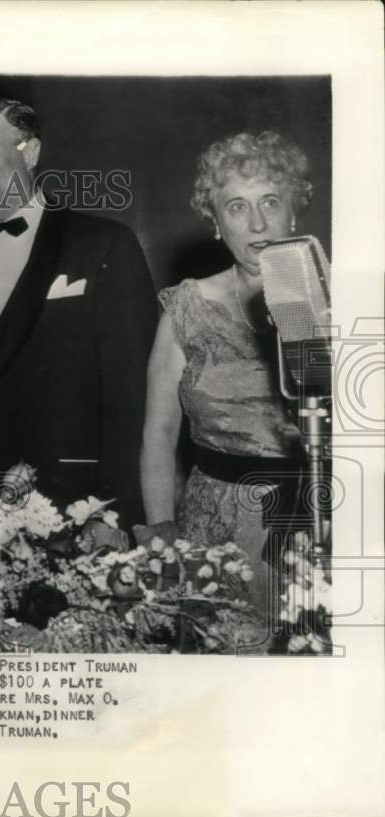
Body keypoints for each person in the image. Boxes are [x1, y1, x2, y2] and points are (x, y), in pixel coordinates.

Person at [0, 95, 158, 528]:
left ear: (31, 152)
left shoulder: (103, 244)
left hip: (70, 511)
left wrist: (112, 513)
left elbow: (131, 401)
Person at [140, 131, 313, 617]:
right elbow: (159, 430)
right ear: (216, 223)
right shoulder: (186, 306)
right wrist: (162, 534)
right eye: (237, 207)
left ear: (293, 211)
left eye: (270, 202)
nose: (257, 222)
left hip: (314, 521)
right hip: (209, 530)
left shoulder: (342, 301)